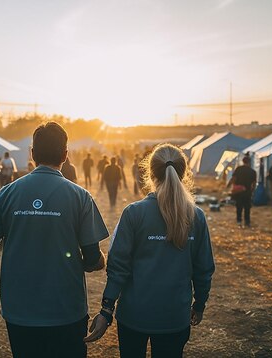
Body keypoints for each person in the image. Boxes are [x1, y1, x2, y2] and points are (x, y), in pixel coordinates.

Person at [0, 122, 109, 358]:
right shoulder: (80, 197)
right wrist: (100, 261)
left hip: (20, 311)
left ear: (32, 154)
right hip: (67, 311)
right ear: (65, 155)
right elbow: (91, 257)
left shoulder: (6, 194)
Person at [84, 144, 215, 358]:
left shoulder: (134, 213)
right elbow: (204, 268)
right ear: (183, 173)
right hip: (175, 317)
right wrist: (199, 304)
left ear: (150, 173)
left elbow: (118, 268)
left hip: (134, 317)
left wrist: (107, 310)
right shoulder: (196, 216)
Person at [229, 156, 256, 227]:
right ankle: (247, 222)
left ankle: (239, 221)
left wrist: (232, 187)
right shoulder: (252, 171)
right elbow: (254, 183)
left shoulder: (238, 169)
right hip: (247, 191)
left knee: (239, 206)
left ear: (243, 161)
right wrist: (252, 191)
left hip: (238, 191)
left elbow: (234, 178)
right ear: (249, 162)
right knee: (247, 207)